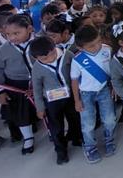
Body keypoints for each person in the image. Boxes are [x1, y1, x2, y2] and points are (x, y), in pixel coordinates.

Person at [30, 36, 81, 165]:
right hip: (52, 100)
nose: (50, 59)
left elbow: (77, 73)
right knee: (56, 126)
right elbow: (36, 88)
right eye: (44, 59)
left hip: (70, 96)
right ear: (36, 58)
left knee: (75, 118)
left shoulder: (67, 55)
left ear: (54, 48)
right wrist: (40, 107)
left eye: (52, 54)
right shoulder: (37, 67)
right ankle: (61, 150)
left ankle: (76, 138)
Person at [70, 25, 116, 164]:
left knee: (109, 119)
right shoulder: (77, 60)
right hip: (85, 94)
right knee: (88, 123)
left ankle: (109, 140)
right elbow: (74, 81)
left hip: (104, 90)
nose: (96, 46)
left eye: (98, 41)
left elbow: (114, 70)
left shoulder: (107, 50)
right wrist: (76, 100)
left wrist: (114, 86)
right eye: (91, 46)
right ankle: (90, 146)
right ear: (80, 47)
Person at [0, 15, 36, 155]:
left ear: (29, 29)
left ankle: (53, 132)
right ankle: (28, 138)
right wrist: (0, 91)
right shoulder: (2, 50)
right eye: (8, 34)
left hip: (39, 82)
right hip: (16, 85)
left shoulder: (40, 42)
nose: (12, 38)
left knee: (45, 108)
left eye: (16, 33)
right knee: (20, 113)